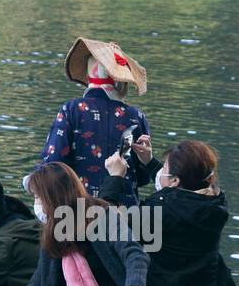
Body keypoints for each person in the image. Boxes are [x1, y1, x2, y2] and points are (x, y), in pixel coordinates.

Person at [0, 162, 150, 286]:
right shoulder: (53, 232)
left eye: (38, 197)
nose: (37, 203)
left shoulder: (101, 215)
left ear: (54, 198)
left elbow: (133, 253)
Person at [101, 139, 239, 286]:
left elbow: (105, 221)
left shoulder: (158, 212)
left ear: (174, 180)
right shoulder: (216, 204)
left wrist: (115, 178)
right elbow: (182, 191)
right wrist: (150, 163)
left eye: (165, 168)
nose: (162, 171)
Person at [32, 37, 156, 198]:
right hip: (125, 213)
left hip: (78, 210)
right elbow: (142, 177)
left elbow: (53, 164)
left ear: (88, 74)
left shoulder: (71, 110)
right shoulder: (136, 116)